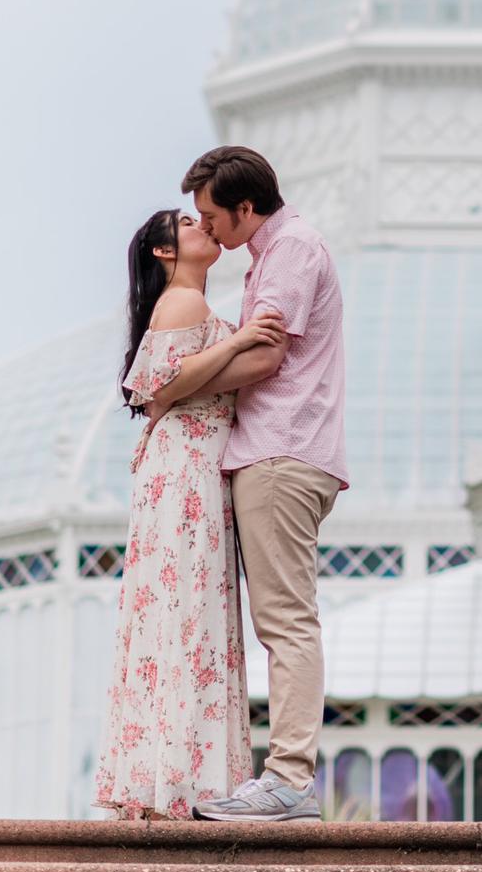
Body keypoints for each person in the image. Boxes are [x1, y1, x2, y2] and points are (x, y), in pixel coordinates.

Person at [175, 146, 349, 824]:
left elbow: (268, 354)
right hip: (281, 452)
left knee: (285, 621)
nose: (206, 227)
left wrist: (178, 389)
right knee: (280, 618)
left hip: (282, 450)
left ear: (245, 207)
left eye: (212, 215)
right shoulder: (275, 251)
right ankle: (284, 778)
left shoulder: (292, 249)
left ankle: (288, 779)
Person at [94, 210, 284, 820]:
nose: (201, 225)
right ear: (163, 251)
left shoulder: (188, 304)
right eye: (184, 222)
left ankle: (168, 779)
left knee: (182, 613)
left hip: (190, 468)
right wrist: (239, 340)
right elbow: (162, 387)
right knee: (187, 612)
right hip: (185, 471)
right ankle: (183, 785)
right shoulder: (183, 302)